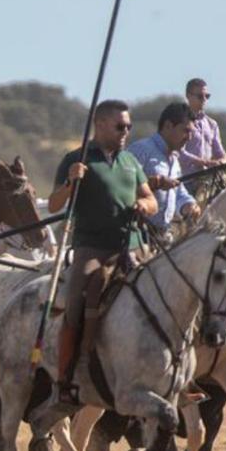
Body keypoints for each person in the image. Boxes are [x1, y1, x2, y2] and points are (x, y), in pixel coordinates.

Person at [49, 99, 158, 403]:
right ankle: (66, 378)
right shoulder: (77, 159)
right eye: (120, 126)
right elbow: (55, 204)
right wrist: (71, 182)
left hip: (134, 246)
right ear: (100, 125)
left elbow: (151, 200)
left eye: (129, 127)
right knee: (76, 301)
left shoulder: (130, 162)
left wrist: (143, 205)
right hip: (92, 249)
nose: (126, 131)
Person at [126, 102, 201, 241]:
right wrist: (156, 183)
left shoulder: (174, 160)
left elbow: (179, 192)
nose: (189, 137)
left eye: (191, 132)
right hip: (137, 236)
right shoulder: (141, 150)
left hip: (163, 237)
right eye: (185, 130)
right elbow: (123, 187)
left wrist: (188, 205)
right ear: (168, 126)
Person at [179, 78, 226, 204]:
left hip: (208, 182)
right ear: (188, 96)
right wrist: (205, 162)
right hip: (185, 183)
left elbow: (220, 153)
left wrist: (221, 162)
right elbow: (179, 152)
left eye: (207, 96)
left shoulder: (212, 124)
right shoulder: (179, 121)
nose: (204, 99)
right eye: (200, 96)